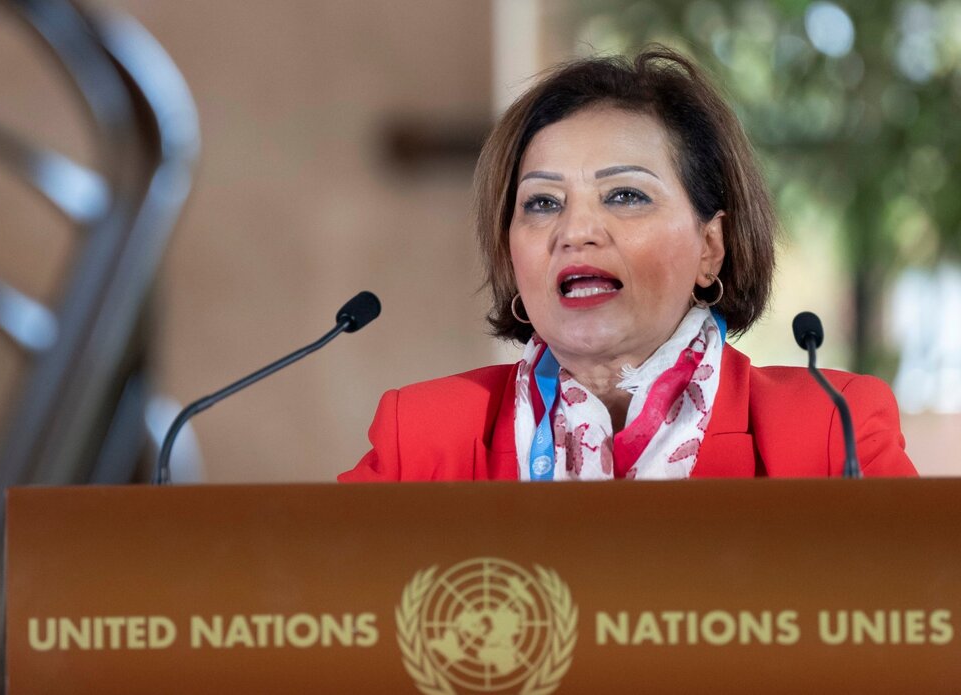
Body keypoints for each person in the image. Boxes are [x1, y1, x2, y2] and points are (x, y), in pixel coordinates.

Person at [340, 46, 916, 482]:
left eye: (625, 195)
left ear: (710, 247)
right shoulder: (421, 442)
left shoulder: (829, 434)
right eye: (542, 203)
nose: (575, 232)